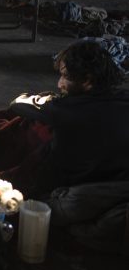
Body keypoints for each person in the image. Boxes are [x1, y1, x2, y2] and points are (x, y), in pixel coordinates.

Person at [10, 40, 129, 197]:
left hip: (69, 193)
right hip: (117, 189)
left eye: (65, 76)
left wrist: (49, 98)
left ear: (87, 80)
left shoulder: (65, 109)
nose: (59, 83)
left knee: (27, 126)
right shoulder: (124, 99)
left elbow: (17, 104)